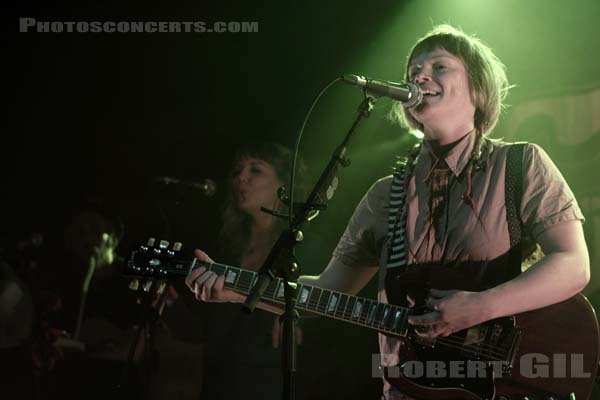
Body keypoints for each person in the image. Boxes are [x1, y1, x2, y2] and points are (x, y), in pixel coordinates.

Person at [186, 25, 591, 400]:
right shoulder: (385, 196)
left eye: (439, 66)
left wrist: (480, 307)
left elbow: (573, 265)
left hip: (505, 384)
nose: (419, 76)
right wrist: (236, 287)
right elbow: (329, 290)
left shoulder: (520, 165)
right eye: (413, 69)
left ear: (478, 89)